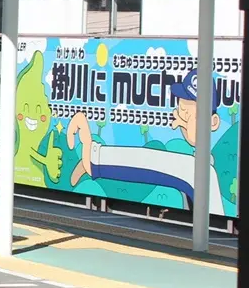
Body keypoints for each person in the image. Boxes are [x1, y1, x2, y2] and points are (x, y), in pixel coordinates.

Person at [65, 68, 221, 209]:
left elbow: (149, 162)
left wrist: (91, 154)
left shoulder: (199, 171)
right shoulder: (199, 166)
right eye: (182, 111)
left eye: (190, 115)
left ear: (213, 122)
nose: (181, 119)